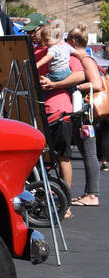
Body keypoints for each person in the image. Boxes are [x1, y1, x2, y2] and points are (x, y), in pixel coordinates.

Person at [36, 25, 77, 214]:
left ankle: (65, 204)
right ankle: (47, 199)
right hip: (40, 111)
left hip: (60, 111)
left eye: (44, 39)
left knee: (63, 158)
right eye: (38, 40)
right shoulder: (41, 51)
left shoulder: (62, 49)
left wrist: (54, 84)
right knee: (42, 159)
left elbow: (81, 75)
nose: (41, 43)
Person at [62, 25, 104, 206]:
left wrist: (75, 87)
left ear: (73, 42)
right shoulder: (85, 58)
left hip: (86, 113)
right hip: (85, 112)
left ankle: (92, 194)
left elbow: (96, 83)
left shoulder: (85, 59)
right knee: (88, 151)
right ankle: (89, 193)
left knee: (89, 152)